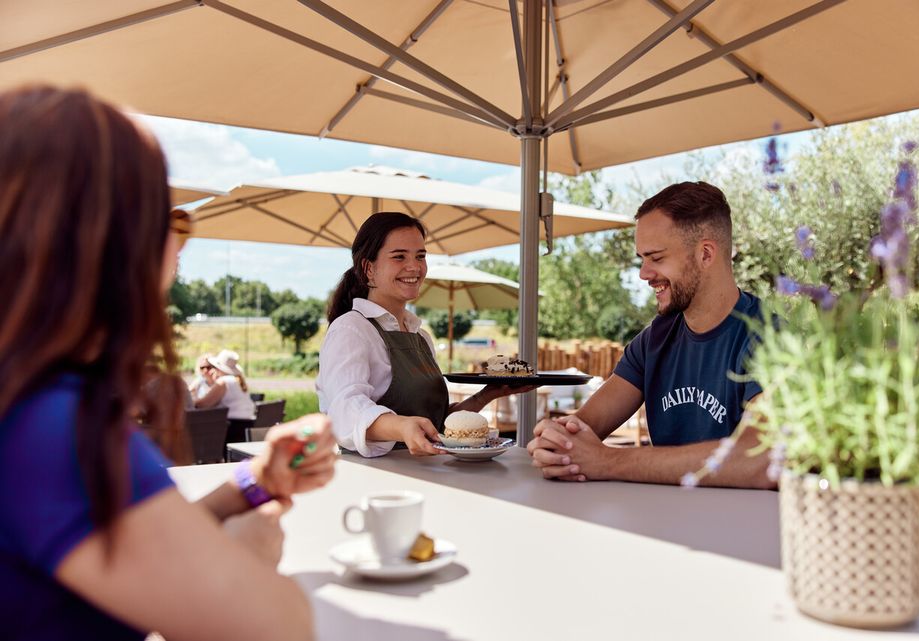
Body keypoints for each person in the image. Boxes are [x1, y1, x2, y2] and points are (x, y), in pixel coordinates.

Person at [0, 85, 337, 641]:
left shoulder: (26, 403)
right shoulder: (59, 432)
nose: (178, 241)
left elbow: (131, 545)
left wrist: (252, 483)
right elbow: (279, 629)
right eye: (163, 213)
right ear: (106, 238)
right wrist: (249, 552)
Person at [527, 182, 774, 489]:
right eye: (641, 259)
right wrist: (556, 440)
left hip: (739, 532)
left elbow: (760, 457)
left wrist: (606, 461)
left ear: (706, 255)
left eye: (656, 258)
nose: (643, 274)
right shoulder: (654, 339)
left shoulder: (769, 339)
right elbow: (584, 427)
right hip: (659, 523)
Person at [317, 211, 532, 457]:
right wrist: (401, 427)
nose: (414, 266)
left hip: (431, 471)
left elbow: (435, 425)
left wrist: (488, 394)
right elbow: (344, 411)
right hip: (378, 477)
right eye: (399, 257)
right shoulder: (351, 329)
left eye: (420, 256)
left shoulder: (421, 337)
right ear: (368, 268)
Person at [193, 349, 257, 421]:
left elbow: (202, 404)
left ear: (217, 368)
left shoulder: (224, 381)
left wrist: (189, 401)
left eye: (212, 367)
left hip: (233, 425)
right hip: (244, 423)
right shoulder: (236, 380)